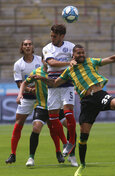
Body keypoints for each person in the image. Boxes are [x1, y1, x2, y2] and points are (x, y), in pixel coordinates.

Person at [33, 44, 115, 176]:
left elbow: (111, 59)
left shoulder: (91, 61)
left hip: (99, 95)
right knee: (84, 135)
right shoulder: (69, 71)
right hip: (87, 102)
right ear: (73, 55)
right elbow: (54, 83)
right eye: (78, 53)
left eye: (83, 53)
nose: (81, 55)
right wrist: (42, 78)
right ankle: (82, 165)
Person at [16, 59, 67, 166]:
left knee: (69, 125)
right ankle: (31, 158)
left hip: (56, 106)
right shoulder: (36, 72)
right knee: (36, 128)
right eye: (47, 59)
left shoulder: (57, 72)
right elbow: (24, 83)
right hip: (42, 106)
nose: (49, 62)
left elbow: (60, 83)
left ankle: (67, 152)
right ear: (43, 60)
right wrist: (20, 94)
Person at [5, 39, 43, 164]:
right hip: (26, 98)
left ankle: (59, 151)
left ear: (33, 47)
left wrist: (36, 89)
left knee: (53, 122)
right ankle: (12, 154)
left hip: (40, 97)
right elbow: (19, 83)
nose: (27, 46)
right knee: (18, 123)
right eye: (25, 44)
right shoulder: (18, 64)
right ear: (22, 47)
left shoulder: (40, 60)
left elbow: (45, 76)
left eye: (30, 44)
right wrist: (29, 89)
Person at [42, 24, 76, 157]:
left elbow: (77, 60)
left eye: (54, 36)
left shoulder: (71, 46)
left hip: (67, 83)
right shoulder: (47, 48)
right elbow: (51, 63)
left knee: (68, 112)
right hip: (53, 85)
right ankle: (65, 142)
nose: (52, 38)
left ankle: (71, 141)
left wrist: (73, 62)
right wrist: (69, 63)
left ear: (62, 36)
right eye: (51, 35)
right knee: (53, 117)